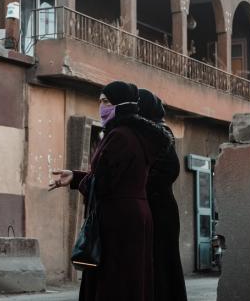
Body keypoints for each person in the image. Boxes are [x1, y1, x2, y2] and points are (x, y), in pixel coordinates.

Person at [49, 81, 172, 301]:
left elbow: (104, 183)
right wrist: (76, 177)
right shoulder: (136, 135)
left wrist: (82, 182)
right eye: (100, 101)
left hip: (117, 220)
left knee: (114, 282)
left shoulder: (119, 136)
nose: (101, 106)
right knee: (130, 281)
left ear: (121, 104)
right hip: (133, 215)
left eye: (106, 101)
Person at [138, 89, 187, 301]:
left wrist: (137, 185)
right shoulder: (145, 132)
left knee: (162, 263)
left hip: (160, 210)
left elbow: (170, 170)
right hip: (154, 207)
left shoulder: (159, 133)